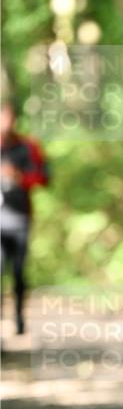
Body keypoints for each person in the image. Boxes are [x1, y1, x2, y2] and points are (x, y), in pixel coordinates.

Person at [1, 100, 49, 335]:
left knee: (18, 272)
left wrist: (20, 177)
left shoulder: (27, 147)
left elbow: (44, 176)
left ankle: (19, 316)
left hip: (20, 220)